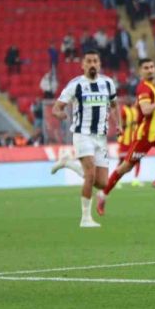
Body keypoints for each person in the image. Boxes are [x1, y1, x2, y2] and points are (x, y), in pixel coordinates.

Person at [97, 58, 155, 215]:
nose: (150, 70)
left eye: (152, 67)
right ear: (140, 71)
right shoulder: (143, 88)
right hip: (144, 136)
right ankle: (103, 194)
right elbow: (146, 110)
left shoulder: (153, 87)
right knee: (126, 167)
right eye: (146, 67)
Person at [50, 50, 120, 228]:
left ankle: (67, 163)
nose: (92, 64)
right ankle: (85, 218)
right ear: (82, 65)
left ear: (100, 64)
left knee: (102, 183)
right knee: (90, 174)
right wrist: (59, 114)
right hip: (82, 135)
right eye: (88, 61)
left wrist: (119, 124)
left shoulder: (108, 83)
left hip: (100, 137)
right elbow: (56, 108)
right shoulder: (76, 85)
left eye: (95, 61)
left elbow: (114, 105)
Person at [117, 97, 142, 187]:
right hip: (125, 140)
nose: (129, 101)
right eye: (127, 100)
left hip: (134, 140)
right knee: (121, 161)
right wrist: (129, 124)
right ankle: (117, 180)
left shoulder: (135, 110)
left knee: (137, 159)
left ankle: (136, 179)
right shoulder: (123, 110)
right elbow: (121, 124)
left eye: (130, 100)